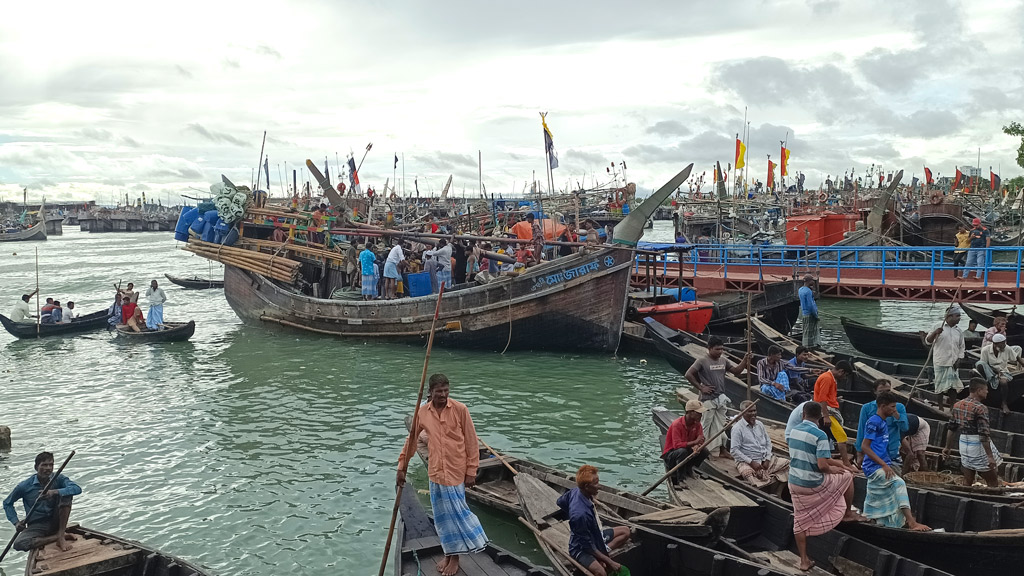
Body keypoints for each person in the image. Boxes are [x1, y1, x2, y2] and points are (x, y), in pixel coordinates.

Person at [398, 374, 487, 576]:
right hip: (436, 472)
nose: (443, 395)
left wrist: (471, 471)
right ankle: (448, 553)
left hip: (455, 471)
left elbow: (472, 441)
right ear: (430, 392)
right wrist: (402, 466)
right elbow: (411, 441)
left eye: (446, 391)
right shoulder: (422, 413)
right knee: (441, 519)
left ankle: (455, 557)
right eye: (439, 392)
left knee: (456, 514)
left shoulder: (460, 410)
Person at [787, 401, 863, 572]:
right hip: (813, 483)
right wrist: (838, 469)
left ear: (803, 415)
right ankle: (847, 512)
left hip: (794, 482)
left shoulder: (793, 431)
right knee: (847, 476)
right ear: (820, 417)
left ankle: (804, 560)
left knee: (799, 521)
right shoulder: (820, 435)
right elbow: (822, 466)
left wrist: (840, 464)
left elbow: (819, 459)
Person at [860, 392, 931, 530]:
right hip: (873, 466)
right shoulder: (874, 422)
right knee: (898, 483)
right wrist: (884, 465)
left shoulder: (883, 421)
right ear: (882, 406)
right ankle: (911, 522)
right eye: (892, 407)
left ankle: (880, 518)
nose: (894, 410)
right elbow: (865, 446)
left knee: (884, 489)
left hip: (882, 463)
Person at [684, 336, 752, 458]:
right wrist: (701, 387)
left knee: (721, 426)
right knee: (706, 426)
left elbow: (736, 371)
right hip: (707, 400)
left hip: (720, 398)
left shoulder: (723, 361)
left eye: (721, 349)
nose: (720, 351)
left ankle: (722, 448)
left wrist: (745, 360)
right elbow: (688, 374)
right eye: (717, 349)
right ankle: (703, 450)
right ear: (709, 348)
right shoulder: (702, 361)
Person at [556, 465, 630, 576]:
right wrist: (609, 561)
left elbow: (560, 502)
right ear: (586, 486)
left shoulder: (576, 491)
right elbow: (588, 547)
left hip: (595, 536)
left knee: (626, 531)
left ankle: (603, 551)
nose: (599, 486)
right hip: (581, 548)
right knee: (601, 573)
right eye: (596, 483)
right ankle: (600, 555)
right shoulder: (580, 515)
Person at [3, 451, 82, 553]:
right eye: (44, 465)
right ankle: (57, 537)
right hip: (37, 525)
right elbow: (7, 503)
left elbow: (77, 489)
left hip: (56, 521)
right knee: (19, 544)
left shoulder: (58, 479)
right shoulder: (25, 486)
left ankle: (61, 535)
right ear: (36, 467)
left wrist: (54, 492)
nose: (48, 468)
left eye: (51, 465)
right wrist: (16, 522)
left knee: (66, 494)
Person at [944, 378, 1003, 487]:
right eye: (986, 389)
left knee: (967, 481)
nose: (987, 392)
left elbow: (951, 428)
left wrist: (947, 447)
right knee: (993, 482)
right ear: (979, 390)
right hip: (977, 445)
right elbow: (983, 434)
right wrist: (990, 456)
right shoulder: (980, 408)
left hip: (963, 443)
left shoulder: (958, 405)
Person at [854, 379, 908, 473]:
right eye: (881, 392)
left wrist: (894, 412)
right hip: (874, 452)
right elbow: (861, 430)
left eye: (888, 391)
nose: (884, 394)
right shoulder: (867, 408)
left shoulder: (898, 407)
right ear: (875, 392)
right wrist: (859, 453)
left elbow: (905, 428)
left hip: (892, 451)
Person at [731, 400, 789, 488]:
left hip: (763, 458)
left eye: (754, 410)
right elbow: (734, 451)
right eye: (750, 411)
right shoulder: (737, 428)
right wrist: (751, 462)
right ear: (742, 412)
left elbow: (768, 443)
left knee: (789, 465)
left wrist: (767, 459)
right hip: (746, 461)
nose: (753, 413)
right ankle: (767, 482)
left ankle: (777, 489)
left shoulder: (760, 424)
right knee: (749, 474)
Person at [925, 306, 966, 411]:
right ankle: (941, 407)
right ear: (949, 316)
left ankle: (952, 407)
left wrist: (959, 359)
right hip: (941, 361)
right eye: (957, 316)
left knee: (953, 387)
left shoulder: (958, 331)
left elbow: (962, 347)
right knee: (939, 386)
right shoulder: (938, 326)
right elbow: (928, 341)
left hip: (953, 363)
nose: (959, 318)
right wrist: (935, 333)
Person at [661, 399, 709, 486]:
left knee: (704, 451)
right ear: (690, 412)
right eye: (698, 413)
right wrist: (694, 442)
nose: (701, 415)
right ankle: (680, 478)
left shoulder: (697, 424)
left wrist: (697, 445)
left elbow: (701, 438)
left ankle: (689, 467)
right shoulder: (677, 425)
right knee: (682, 451)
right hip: (672, 454)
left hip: (687, 449)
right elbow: (677, 445)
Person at [976, 333, 1023, 415]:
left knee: (1003, 382)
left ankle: (1004, 403)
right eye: (1002, 344)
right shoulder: (985, 350)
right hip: (990, 371)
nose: (1004, 346)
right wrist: (996, 372)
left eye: (1004, 343)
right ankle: (988, 381)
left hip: (1003, 371)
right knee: (979, 364)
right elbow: (985, 365)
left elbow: (1017, 358)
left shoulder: (1006, 348)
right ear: (995, 344)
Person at [798, 275, 820, 348]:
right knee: (811, 332)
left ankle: (806, 346)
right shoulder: (808, 291)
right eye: (812, 280)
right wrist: (816, 315)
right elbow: (811, 305)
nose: (813, 282)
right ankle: (809, 347)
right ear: (809, 281)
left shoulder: (800, 290)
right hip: (810, 314)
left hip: (804, 313)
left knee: (805, 331)